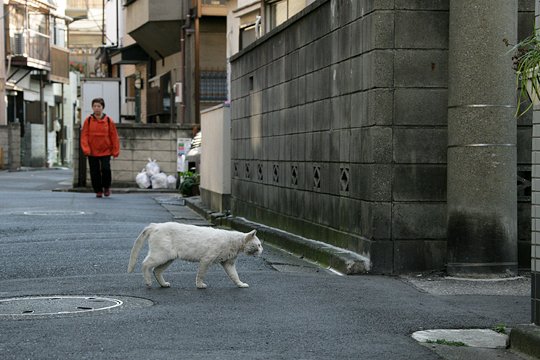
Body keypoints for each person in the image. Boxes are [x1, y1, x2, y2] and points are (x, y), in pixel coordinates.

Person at [80, 98, 120, 198]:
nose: (97, 108)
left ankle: (106, 187)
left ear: (102, 107)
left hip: (105, 150)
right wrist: (86, 149)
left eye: (99, 106)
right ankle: (98, 190)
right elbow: (84, 136)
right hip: (92, 151)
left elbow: (114, 136)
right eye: (95, 106)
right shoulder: (88, 121)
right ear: (92, 108)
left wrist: (115, 150)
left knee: (106, 169)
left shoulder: (109, 121)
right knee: (94, 171)